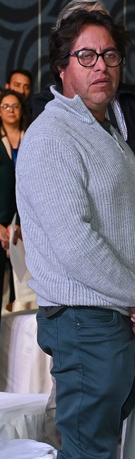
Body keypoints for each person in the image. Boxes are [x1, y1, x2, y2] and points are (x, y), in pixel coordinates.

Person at [16, 9, 135, 459]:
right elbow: (75, 242)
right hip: (85, 320)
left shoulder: (108, 132)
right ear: (62, 68)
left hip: (115, 315)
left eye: (110, 55)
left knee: (107, 456)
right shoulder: (51, 136)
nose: (101, 65)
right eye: (86, 56)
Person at [32, 0, 135, 265]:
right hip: (92, 262)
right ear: (63, 54)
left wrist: (115, 155)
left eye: (107, 50)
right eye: (87, 53)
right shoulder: (48, 110)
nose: (100, 63)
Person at [0, 90, 25, 314]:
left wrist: (22, 225)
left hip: (26, 223)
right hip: (1, 220)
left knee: (24, 294)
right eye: (6, 106)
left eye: (15, 106)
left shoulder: (31, 137)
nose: (11, 110)